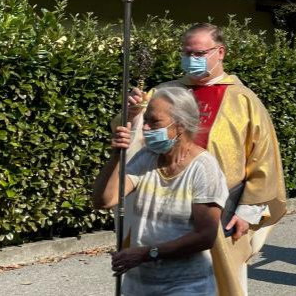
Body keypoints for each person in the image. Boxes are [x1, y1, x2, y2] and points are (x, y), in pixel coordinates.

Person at [119, 23, 286, 295]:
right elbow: (132, 139)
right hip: (159, 207)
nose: (191, 59)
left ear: (220, 52)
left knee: (219, 284)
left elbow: (263, 158)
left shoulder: (243, 99)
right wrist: (131, 116)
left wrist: (248, 211)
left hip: (218, 212)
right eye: (186, 53)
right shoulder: (163, 93)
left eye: (199, 53)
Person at [94, 87, 228, 295]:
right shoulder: (146, 157)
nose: (145, 128)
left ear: (181, 125)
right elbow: (104, 200)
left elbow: (205, 236)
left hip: (187, 286)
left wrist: (147, 253)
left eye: (154, 122)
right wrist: (116, 156)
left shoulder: (204, 168)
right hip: (139, 285)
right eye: (145, 120)